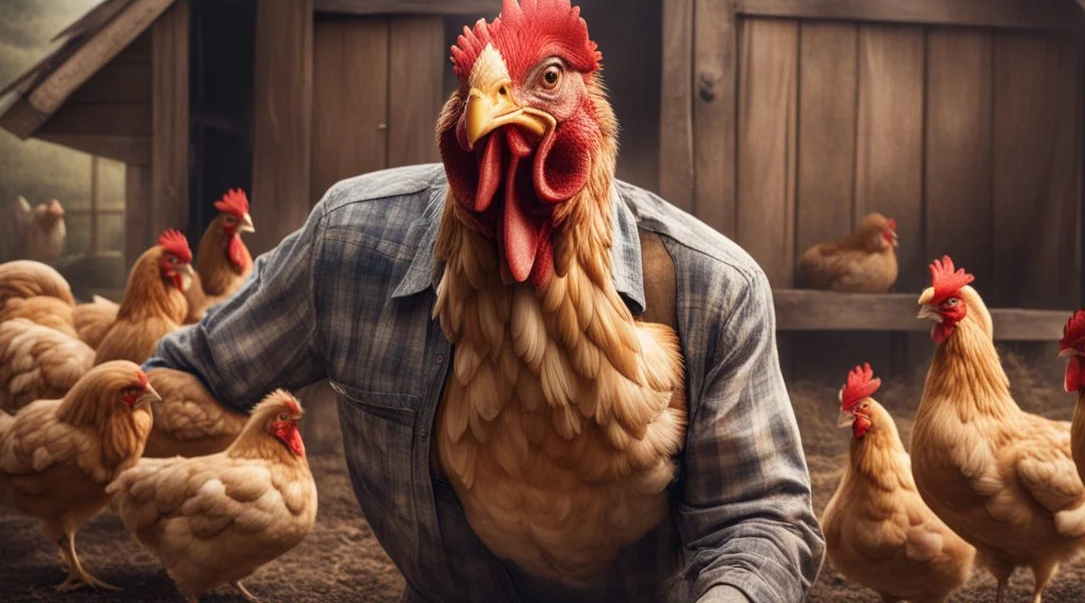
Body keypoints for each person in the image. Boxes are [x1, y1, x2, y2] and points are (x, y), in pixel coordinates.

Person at [145, 164, 824, 602]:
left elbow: (760, 518)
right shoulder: (349, 246)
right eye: (482, 93)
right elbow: (184, 376)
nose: (506, 105)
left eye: (549, 85)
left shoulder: (714, 287)